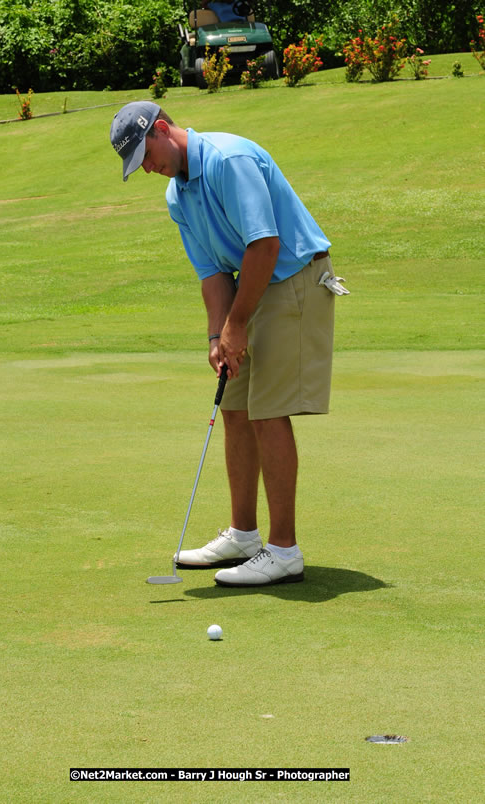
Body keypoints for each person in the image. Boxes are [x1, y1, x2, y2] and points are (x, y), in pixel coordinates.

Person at [110, 101, 349, 587]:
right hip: (252, 287)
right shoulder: (178, 196)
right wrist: (218, 335)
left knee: (267, 411)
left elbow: (265, 244)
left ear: (162, 129)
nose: (149, 169)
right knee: (235, 408)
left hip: (294, 278)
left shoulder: (228, 160)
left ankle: (284, 551)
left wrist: (236, 325)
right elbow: (212, 273)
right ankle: (243, 536)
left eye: (147, 156)